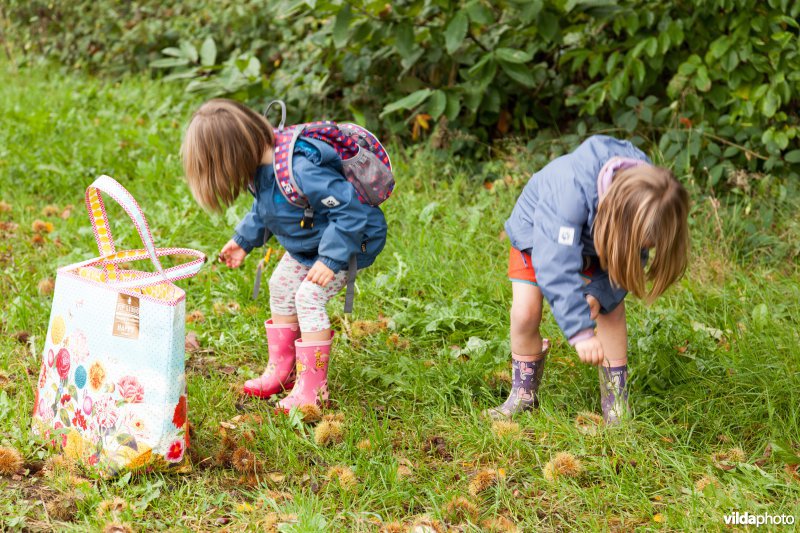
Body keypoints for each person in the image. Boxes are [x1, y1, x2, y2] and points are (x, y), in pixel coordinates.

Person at [181, 99, 387, 412]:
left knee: (308, 297)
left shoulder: (301, 169)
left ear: (231, 158)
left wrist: (330, 259)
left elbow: (350, 211)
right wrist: (243, 240)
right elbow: (267, 208)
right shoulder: (263, 168)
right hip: (310, 244)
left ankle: (313, 389)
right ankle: (284, 371)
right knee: (280, 285)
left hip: (350, 242)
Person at [485, 136, 689, 424]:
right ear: (619, 218)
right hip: (538, 237)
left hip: (600, 240)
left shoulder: (651, 194)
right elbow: (555, 265)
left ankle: (616, 402)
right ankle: (523, 392)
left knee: (610, 310)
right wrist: (580, 331)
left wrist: (597, 295)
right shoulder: (569, 193)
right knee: (525, 313)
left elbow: (628, 263)